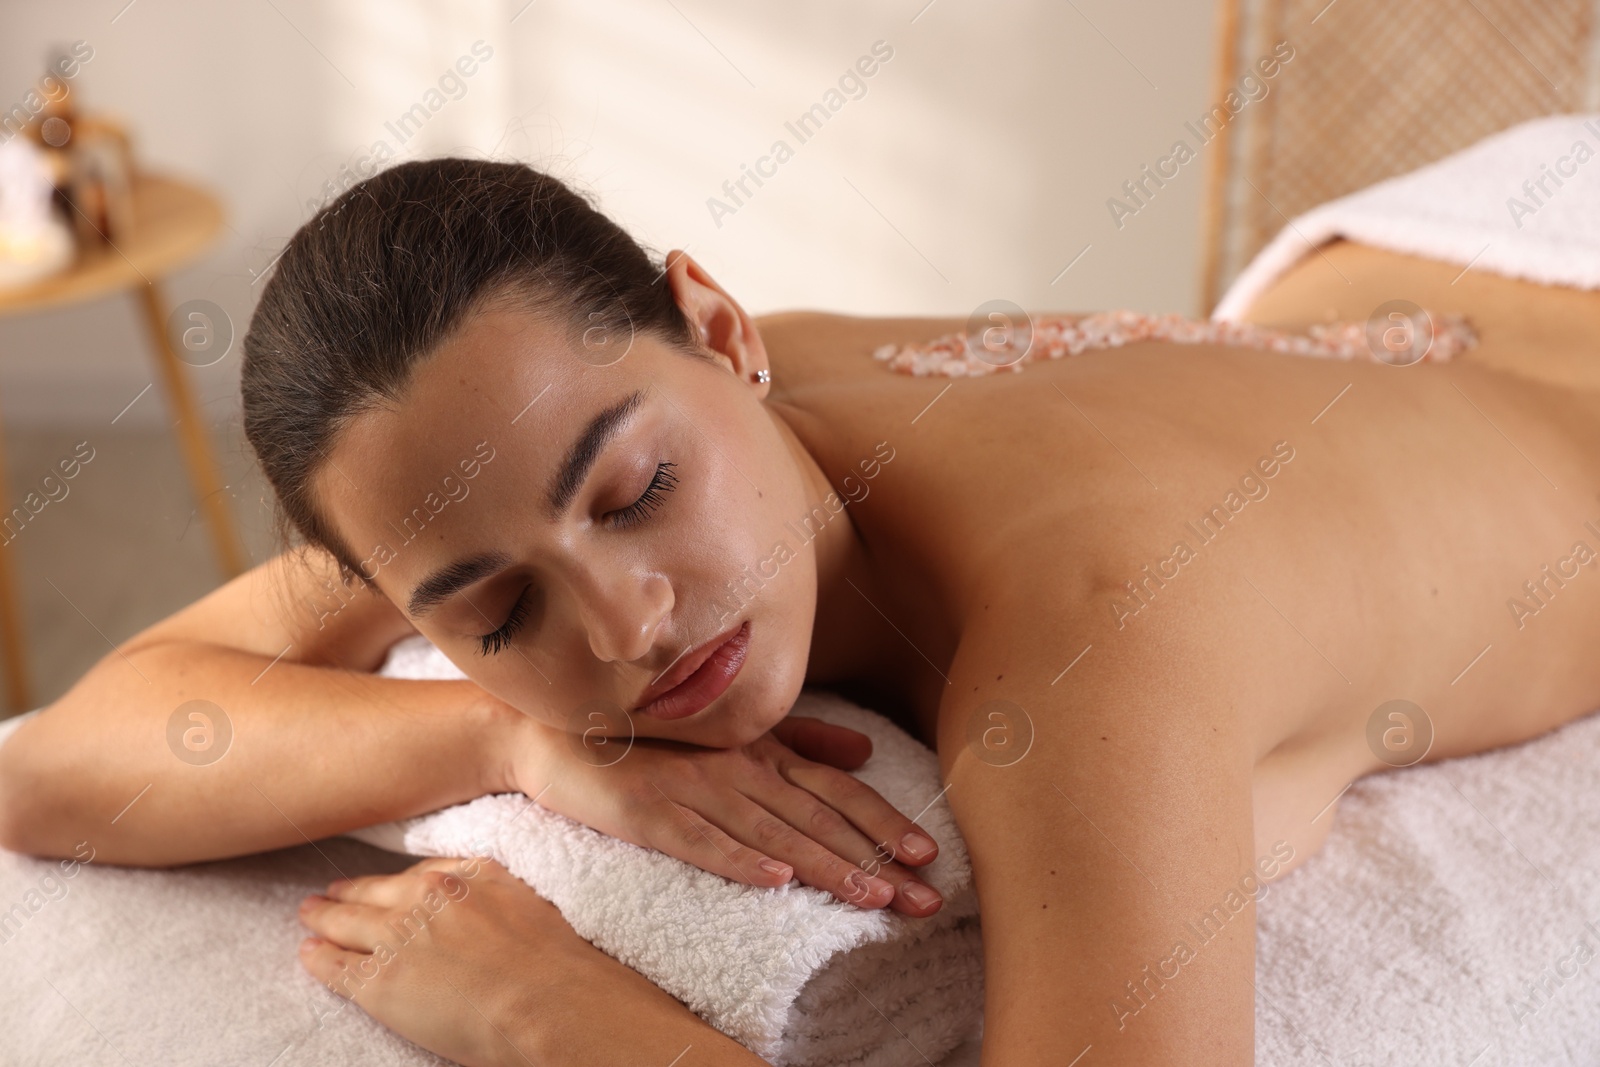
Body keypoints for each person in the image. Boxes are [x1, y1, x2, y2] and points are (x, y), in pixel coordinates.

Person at [6, 157, 1600, 1067]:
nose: (624, 624)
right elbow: (56, 762)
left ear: (719, 327)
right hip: (1372, 315)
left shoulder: (1092, 631)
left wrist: (558, 1021)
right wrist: (505, 744)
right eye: (494, 613)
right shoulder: (539, 439)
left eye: (633, 494)